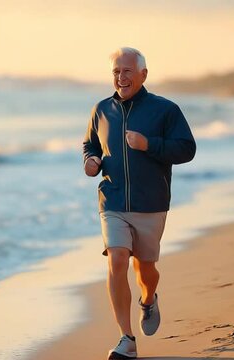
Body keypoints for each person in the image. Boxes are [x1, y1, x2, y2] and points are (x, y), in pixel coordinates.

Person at [83, 47, 196, 359]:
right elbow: (90, 143)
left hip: (151, 203)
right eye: (117, 72)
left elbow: (187, 148)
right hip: (113, 200)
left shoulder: (165, 110)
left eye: (127, 71)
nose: (122, 77)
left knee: (146, 270)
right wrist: (90, 161)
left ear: (143, 75)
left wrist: (150, 145)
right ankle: (126, 339)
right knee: (117, 258)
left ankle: (148, 300)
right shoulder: (101, 109)